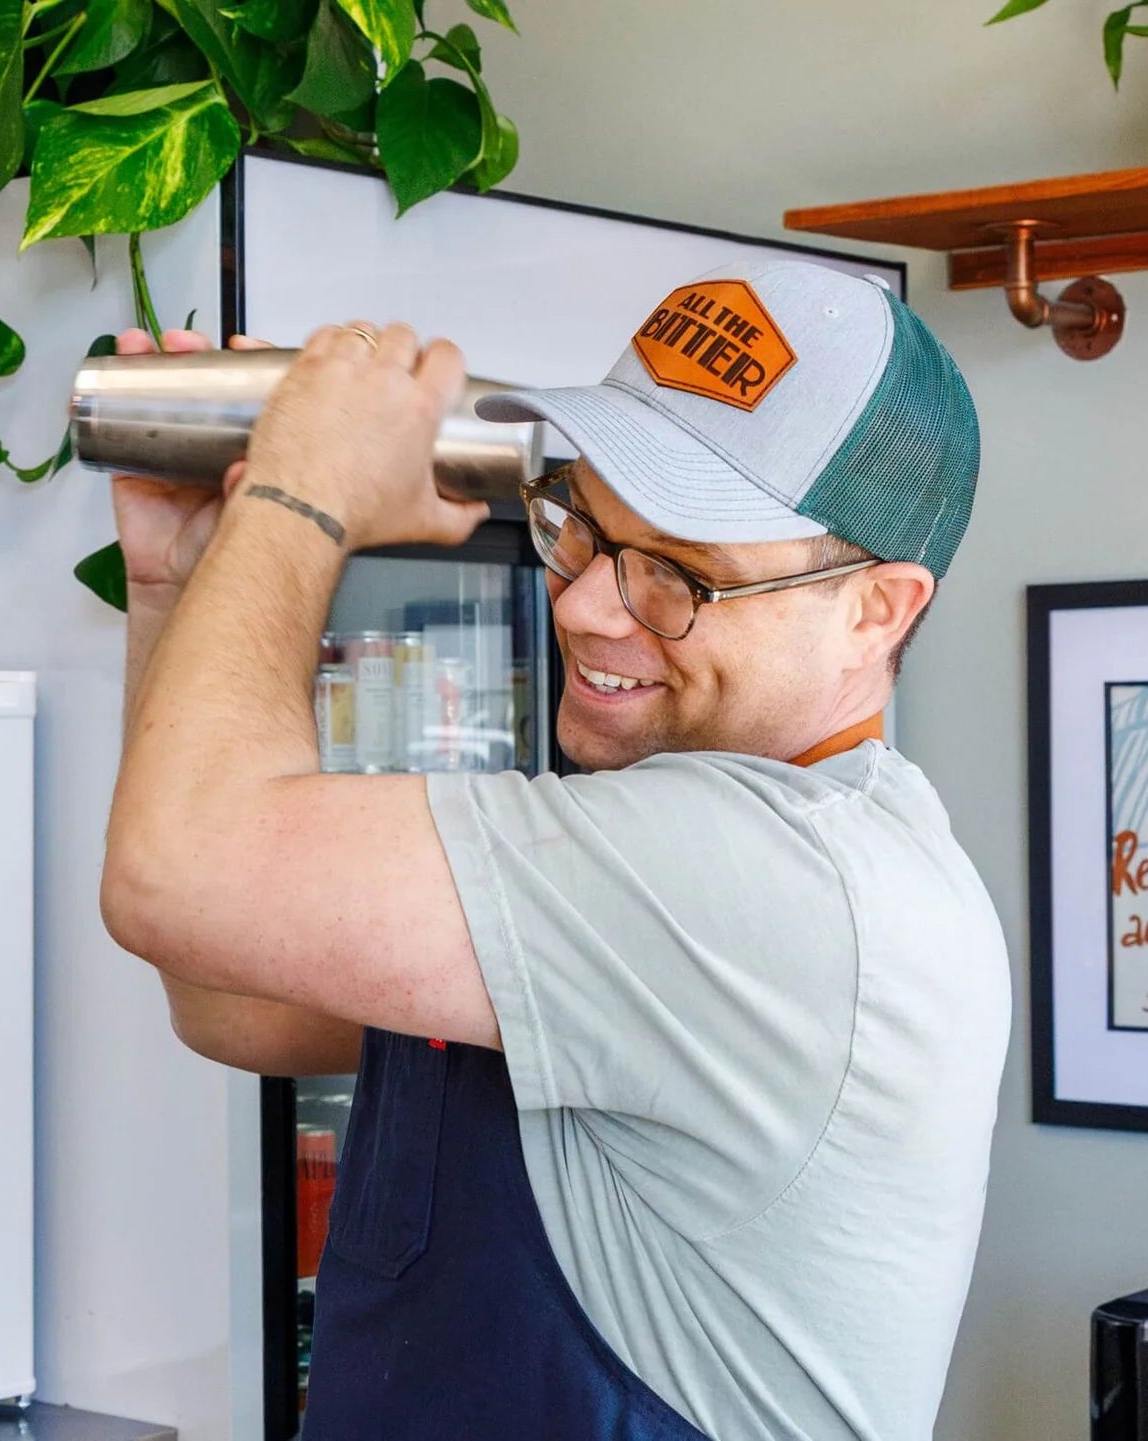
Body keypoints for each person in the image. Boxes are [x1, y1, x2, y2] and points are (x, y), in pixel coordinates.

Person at [100, 259, 1011, 1440]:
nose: (582, 606)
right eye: (581, 526)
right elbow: (236, 996)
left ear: (875, 609)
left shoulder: (780, 877)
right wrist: (183, 581)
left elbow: (179, 874)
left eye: (678, 576)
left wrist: (299, 498)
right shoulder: (635, 858)